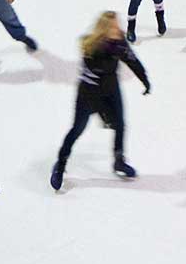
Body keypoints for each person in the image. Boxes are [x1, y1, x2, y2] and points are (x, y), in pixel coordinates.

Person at [50, 11, 150, 190]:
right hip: (89, 94)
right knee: (77, 129)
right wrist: (104, 114)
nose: (118, 29)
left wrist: (145, 79)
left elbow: (132, 61)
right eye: (113, 26)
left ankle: (119, 160)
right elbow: (96, 73)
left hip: (111, 91)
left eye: (117, 25)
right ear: (104, 29)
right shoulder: (92, 48)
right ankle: (60, 165)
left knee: (120, 125)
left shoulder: (119, 43)